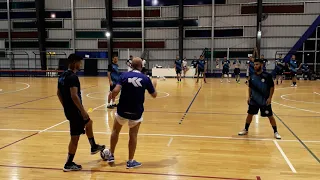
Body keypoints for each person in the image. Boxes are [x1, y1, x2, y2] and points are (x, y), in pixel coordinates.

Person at [104, 57, 158, 169]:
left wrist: (112, 97)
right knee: (133, 135)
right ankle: (130, 161)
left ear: (131, 66)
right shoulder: (145, 78)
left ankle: (111, 155)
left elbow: (115, 91)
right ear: (141, 66)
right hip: (136, 111)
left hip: (122, 109)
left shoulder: (123, 75)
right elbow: (154, 95)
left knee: (115, 131)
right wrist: (155, 85)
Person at [57, 54, 105, 172]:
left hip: (70, 110)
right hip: (75, 111)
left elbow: (58, 93)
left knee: (89, 123)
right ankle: (68, 164)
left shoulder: (62, 76)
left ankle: (93, 146)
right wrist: (82, 111)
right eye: (79, 62)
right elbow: (74, 95)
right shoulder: (73, 77)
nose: (81, 65)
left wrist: (65, 107)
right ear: (74, 62)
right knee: (75, 138)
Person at [238, 59, 281, 140]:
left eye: (257, 64)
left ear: (261, 65)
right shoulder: (252, 75)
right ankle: (246, 129)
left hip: (264, 101)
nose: (255, 66)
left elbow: (272, 87)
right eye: (254, 65)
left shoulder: (267, 76)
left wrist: (270, 98)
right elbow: (250, 87)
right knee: (249, 115)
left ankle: (276, 132)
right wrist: (249, 97)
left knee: (270, 116)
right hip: (254, 100)